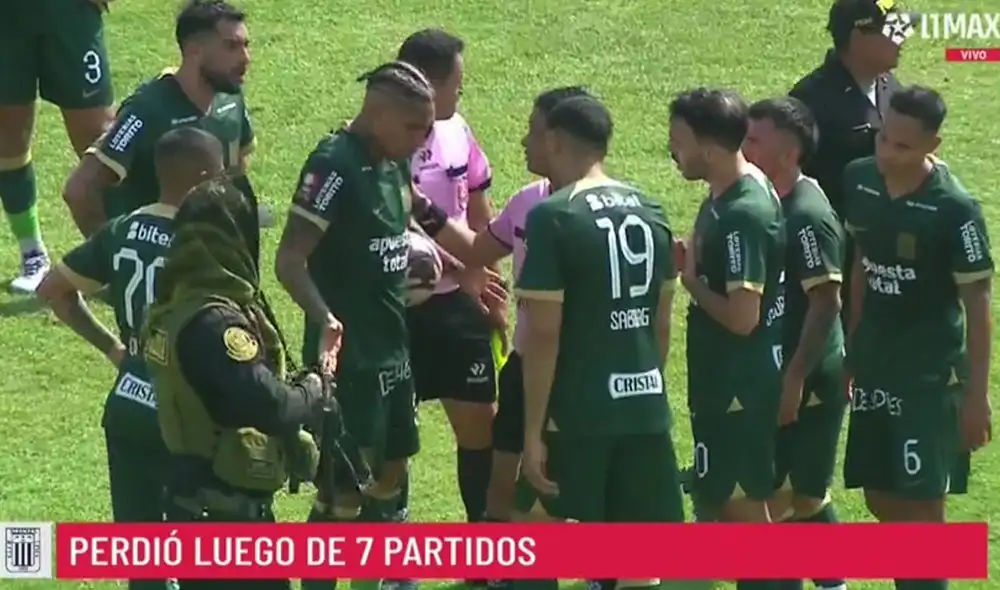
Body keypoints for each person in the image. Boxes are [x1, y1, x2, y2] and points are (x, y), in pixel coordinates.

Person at [273, 60, 484, 590]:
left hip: (394, 354)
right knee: (340, 498)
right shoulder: (332, 165)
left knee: (388, 485)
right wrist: (325, 317)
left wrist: (483, 259)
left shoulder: (392, 165)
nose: (421, 141)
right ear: (380, 112)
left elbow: (428, 218)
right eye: (414, 128)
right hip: (349, 363)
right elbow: (289, 259)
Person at [36, 127, 223, 590]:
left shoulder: (123, 229)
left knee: (144, 560)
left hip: (128, 403)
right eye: (221, 177)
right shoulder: (205, 244)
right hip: (185, 414)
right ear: (201, 178)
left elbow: (53, 290)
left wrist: (114, 349)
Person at [513, 94, 684, 590]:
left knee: (532, 535)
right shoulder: (651, 209)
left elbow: (544, 335)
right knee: (636, 554)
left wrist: (533, 430)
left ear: (557, 140)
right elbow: (662, 322)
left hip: (579, 407)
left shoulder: (554, 217)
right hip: (645, 407)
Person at [842, 85, 993, 590]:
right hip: (875, 362)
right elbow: (861, 264)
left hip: (930, 374)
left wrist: (976, 396)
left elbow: (978, 306)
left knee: (924, 503)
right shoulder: (858, 180)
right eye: (883, 137)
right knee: (880, 497)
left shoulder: (956, 211)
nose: (886, 153)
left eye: (902, 146)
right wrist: (851, 346)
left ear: (935, 146)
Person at [144, 178, 327, 590]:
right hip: (228, 531)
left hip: (198, 511)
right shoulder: (216, 324)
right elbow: (273, 405)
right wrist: (316, 387)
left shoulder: (174, 305)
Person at [669, 88, 784, 590]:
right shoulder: (729, 190)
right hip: (724, 382)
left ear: (708, 148)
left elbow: (743, 317)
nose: (671, 150)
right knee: (726, 512)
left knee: (744, 519)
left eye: (678, 141)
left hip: (739, 388)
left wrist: (690, 281)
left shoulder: (743, 212)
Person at [393, 29, 499, 567]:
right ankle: (393, 563)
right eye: (457, 82)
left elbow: (478, 205)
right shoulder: (375, 142)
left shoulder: (457, 130)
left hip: (456, 302)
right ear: (428, 84)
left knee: (481, 425)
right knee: (390, 439)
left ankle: (484, 558)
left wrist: (485, 276)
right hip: (393, 311)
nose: (462, 91)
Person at [467, 86, 590, 528]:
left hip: (578, 371)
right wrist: (421, 208)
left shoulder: (596, 213)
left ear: (559, 140)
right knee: (504, 483)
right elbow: (478, 250)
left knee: (570, 486)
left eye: (533, 133)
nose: (524, 141)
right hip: (524, 362)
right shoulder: (526, 201)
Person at [743, 97, 848, 590]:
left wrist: (796, 378)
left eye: (753, 141)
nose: (743, 148)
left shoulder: (807, 214)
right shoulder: (771, 200)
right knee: (803, 497)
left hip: (810, 378)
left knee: (781, 502)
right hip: (786, 370)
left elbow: (827, 301)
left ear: (788, 152)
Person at [62, 0, 264, 244]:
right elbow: (79, 190)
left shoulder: (229, 96)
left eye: (246, 45)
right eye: (231, 47)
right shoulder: (147, 110)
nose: (246, 58)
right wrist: (111, 258)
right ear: (194, 51)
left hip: (203, 254)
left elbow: (236, 170)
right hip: (155, 264)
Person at [789, 0, 916, 319]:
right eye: (893, 31)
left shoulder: (890, 88)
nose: (903, 38)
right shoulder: (812, 100)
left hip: (890, 257)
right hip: (838, 263)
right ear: (859, 37)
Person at [0, 0, 116, 293]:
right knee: (8, 134)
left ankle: (118, 252)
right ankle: (33, 255)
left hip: (69, 12)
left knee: (100, 140)